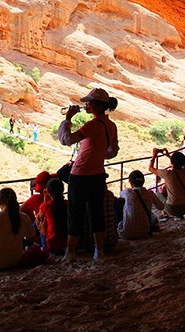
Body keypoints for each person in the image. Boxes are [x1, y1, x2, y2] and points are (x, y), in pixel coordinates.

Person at [58, 87, 119, 262]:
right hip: (98, 174)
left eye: (90, 102)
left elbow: (66, 140)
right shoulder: (111, 125)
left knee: (75, 213)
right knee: (96, 212)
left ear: (99, 106)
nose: (86, 105)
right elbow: (112, 150)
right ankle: (99, 251)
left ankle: (70, 253)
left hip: (80, 175)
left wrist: (68, 119)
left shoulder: (92, 125)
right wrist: (97, 155)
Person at [117, 170, 164, 240]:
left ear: (131, 183)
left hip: (127, 233)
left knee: (118, 202)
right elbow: (161, 207)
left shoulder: (128, 193)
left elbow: (120, 194)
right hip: (145, 232)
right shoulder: (150, 193)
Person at [149, 148, 185, 220]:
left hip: (172, 209)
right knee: (166, 189)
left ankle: (164, 214)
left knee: (157, 194)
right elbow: (179, 163)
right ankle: (178, 216)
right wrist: (169, 156)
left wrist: (154, 156)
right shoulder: (184, 172)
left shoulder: (168, 174)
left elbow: (150, 168)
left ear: (172, 162)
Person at [36, 178, 68, 255]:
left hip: (52, 245)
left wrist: (45, 199)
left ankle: (43, 249)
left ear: (48, 191)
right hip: (68, 242)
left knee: (39, 224)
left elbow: (38, 220)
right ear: (62, 190)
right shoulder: (68, 204)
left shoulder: (46, 206)